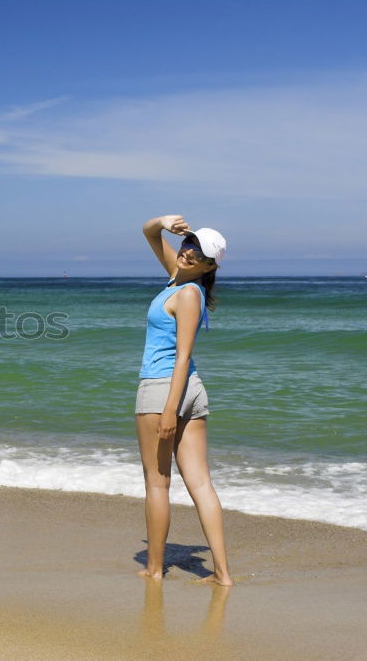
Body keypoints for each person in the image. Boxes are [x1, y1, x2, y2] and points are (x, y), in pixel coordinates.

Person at [135, 214, 233, 586]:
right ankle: (222, 575)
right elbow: (148, 233)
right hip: (188, 387)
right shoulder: (178, 277)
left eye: (198, 252)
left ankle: (155, 569)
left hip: (165, 389)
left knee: (158, 483)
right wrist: (162, 222)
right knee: (201, 483)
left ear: (210, 266)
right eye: (188, 243)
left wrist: (169, 411)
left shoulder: (188, 292)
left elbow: (181, 354)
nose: (188, 252)